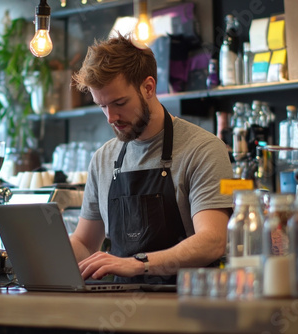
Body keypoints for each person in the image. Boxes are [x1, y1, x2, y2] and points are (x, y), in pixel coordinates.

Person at [70, 34, 233, 284]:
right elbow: (84, 242)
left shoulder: (203, 149)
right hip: (117, 310)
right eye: (102, 106)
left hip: (185, 307)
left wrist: (137, 265)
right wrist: (42, 254)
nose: (110, 117)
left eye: (119, 103)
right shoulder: (103, 158)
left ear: (148, 87)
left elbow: (212, 241)